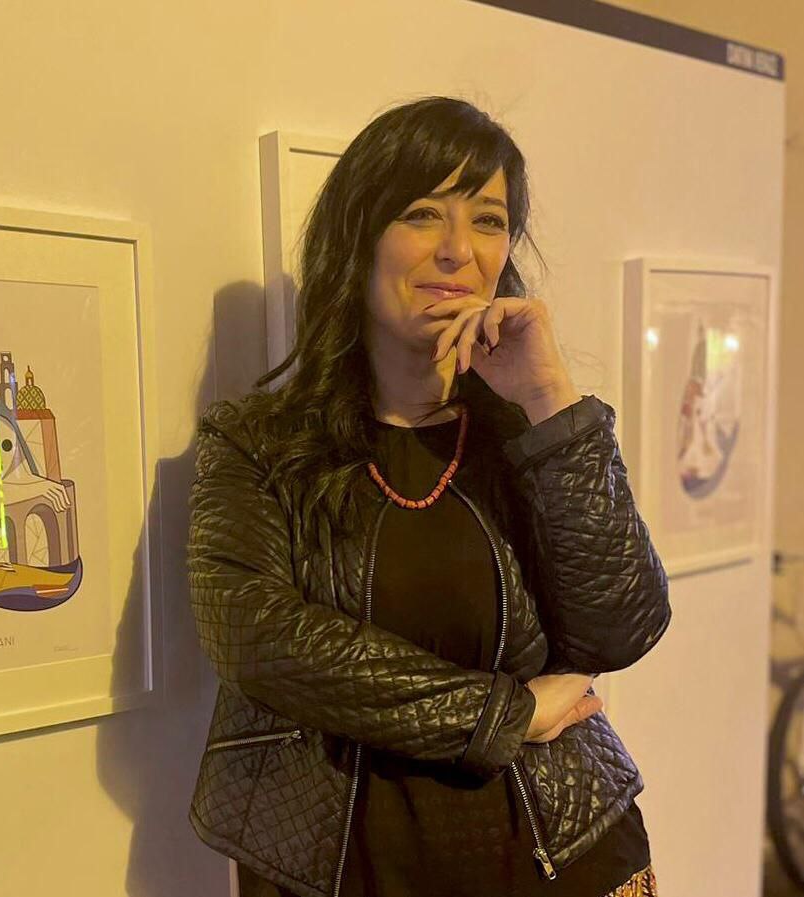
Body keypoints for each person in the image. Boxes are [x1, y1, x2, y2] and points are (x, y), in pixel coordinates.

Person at [187, 96, 671, 897]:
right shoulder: (257, 444)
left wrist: (549, 398)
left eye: (487, 221)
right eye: (421, 214)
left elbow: (623, 625)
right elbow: (257, 638)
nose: (456, 249)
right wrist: (503, 714)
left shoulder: (530, 434)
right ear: (358, 236)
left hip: (562, 855)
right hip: (344, 867)